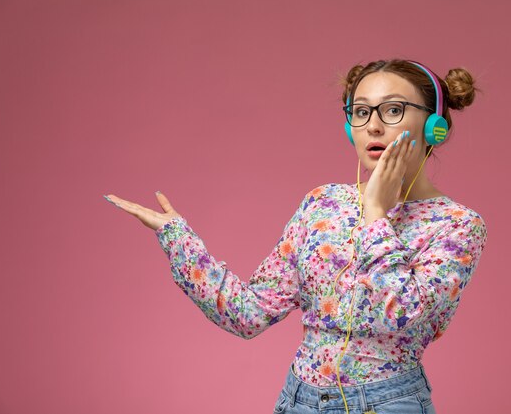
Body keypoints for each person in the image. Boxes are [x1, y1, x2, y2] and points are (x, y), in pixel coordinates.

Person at [104, 58, 488, 414]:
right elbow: (248, 315)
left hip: (388, 404)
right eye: (360, 111)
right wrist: (177, 239)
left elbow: (400, 314)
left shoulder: (456, 225)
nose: (373, 125)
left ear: (435, 125)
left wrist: (375, 213)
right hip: (298, 401)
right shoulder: (322, 205)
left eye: (392, 110)